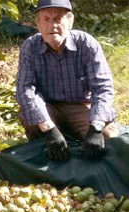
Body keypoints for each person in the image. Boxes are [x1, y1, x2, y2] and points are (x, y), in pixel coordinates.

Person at [15, 0, 118, 161]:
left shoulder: (86, 44)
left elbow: (103, 88)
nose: (52, 25)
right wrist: (49, 129)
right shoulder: (30, 46)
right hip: (48, 108)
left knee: (108, 139)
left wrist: (96, 127)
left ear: (70, 22)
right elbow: (25, 89)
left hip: (79, 106)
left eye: (58, 19)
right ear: (38, 24)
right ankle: (52, 145)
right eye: (46, 19)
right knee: (36, 126)